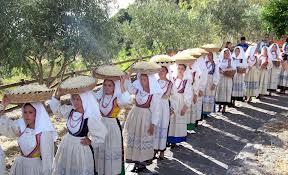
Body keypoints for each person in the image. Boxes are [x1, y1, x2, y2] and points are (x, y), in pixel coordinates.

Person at [49, 78, 107, 175]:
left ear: (84, 99)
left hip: (80, 149)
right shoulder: (70, 111)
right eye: (73, 98)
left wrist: (91, 141)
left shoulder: (89, 117)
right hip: (67, 145)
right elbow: (57, 110)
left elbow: (101, 134)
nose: (75, 102)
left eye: (78, 99)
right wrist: (58, 95)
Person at [0, 96, 57, 175]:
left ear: (37, 113)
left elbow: (47, 157)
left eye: (30, 112)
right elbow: (5, 125)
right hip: (20, 165)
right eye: (25, 112)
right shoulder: (21, 127)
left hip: (34, 168)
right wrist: (3, 106)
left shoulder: (44, 133)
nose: (27, 115)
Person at [123, 72, 161, 173]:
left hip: (146, 117)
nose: (142, 81)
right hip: (135, 114)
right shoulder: (138, 89)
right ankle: (136, 162)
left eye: (144, 79)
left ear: (150, 80)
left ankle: (142, 163)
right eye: (141, 79)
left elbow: (156, 110)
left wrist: (153, 124)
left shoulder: (154, 93)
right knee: (135, 137)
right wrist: (127, 78)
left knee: (143, 137)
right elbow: (129, 89)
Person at [93, 73, 130, 175]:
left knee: (111, 150)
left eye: (110, 85)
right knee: (101, 150)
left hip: (113, 126)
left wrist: (122, 84)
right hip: (100, 126)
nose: (106, 87)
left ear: (115, 87)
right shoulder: (99, 97)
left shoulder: (117, 99)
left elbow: (127, 100)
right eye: (105, 85)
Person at [167, 62, 192, 144]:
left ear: (185, 70)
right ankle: (169, 139)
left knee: (178, 122)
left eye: (182, 69)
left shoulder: (186, 81)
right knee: (171, 121)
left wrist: (185, 107)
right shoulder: (174, 79)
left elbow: (188, 94)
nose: (180, 70)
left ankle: (176, 139)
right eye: (179, 68)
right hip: (173, 101)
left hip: (181, 103)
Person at [152, 64, 173, 160]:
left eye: (163, 71)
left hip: (164, 106)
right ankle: (154, 149)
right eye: (159, 71)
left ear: (167, 72)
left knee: (163, 126)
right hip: (156, 106)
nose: (161, 72)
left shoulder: (170, 83)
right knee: (155, 126)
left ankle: (162, 150)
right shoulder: (155, 82)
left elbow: (167, 95)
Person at [215, 48, 236, 113]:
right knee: (220, 91)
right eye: (225, 53)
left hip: (227, 78)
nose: (227, 54)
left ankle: (224, 107)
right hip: (221, 78)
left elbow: (234, 69)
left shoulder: (231, 60)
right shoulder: (219, 60)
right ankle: (219, 106)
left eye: (228, 53)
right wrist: (220, 71)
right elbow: (216, 68)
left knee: (226, 91)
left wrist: (228, 69)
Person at [202, 51, 220, 117]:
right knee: (203, 95)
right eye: (208, 55)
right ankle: (202, 111)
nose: (209, 56)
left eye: (210, 55)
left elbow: (216, 74)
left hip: (210, 81)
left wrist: (214, 83)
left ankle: (208, 111)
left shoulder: (215, 64)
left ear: (213, 56)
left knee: (209, 95)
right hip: (204, 81)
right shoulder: (204, 63)